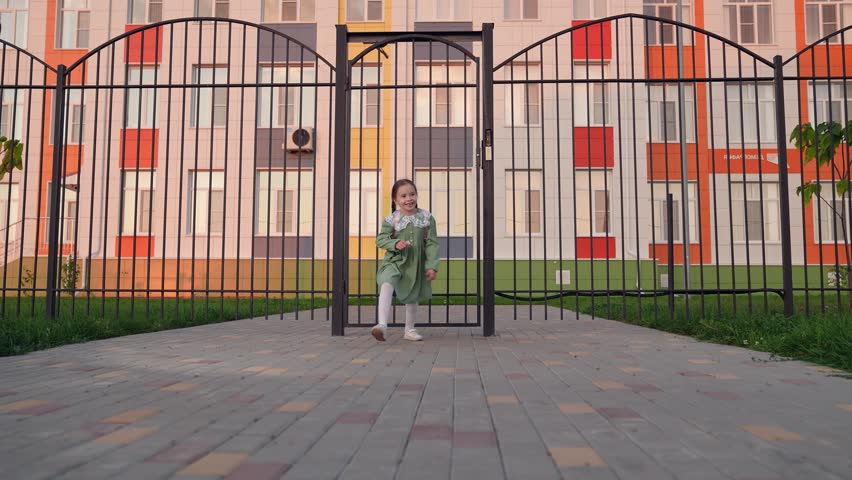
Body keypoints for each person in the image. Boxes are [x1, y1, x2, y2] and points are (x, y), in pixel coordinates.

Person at [371, 179, 439, 342]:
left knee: (412, 294)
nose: (408, 199)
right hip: (394, 260)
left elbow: (432, 243)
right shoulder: (392, 219)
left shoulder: (426, 218)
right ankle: (381, 325)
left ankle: (409, 330)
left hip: (415, 263)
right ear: (395, 199)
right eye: (403, 196)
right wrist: (395, 243)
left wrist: (431, 266)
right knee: (387, 282)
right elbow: (380, 239)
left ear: (417, 195)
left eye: (412, 194)